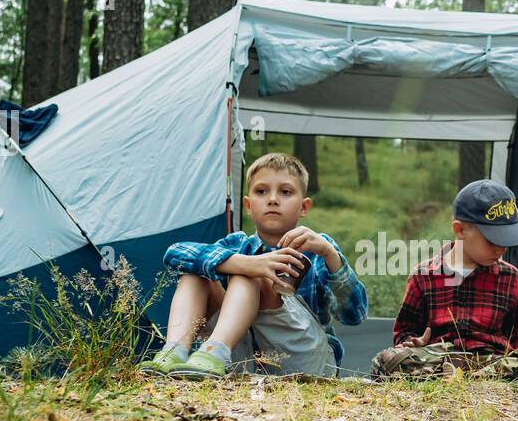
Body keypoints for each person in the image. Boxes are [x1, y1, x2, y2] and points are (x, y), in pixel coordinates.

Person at [140, 153, 366, 378]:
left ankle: (214, 351)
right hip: (240, 357)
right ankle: (176, 351)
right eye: (261, 191)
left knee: (251, 276)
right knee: (197, 273)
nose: (273, 199)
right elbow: (175, 253)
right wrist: (247, 263)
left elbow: (354, 315)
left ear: (304, 207)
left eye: (285, 192)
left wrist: (330, 255)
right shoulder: (236, 244)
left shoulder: (318, 249)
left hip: (305, 360)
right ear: (248, 205)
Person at [372, 179, 518, 380]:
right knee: (383, 361)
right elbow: (404, 331)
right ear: (460, 230)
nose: (502, 248)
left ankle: (475, 379)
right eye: (494, 239)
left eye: (508, 240)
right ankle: (458, 378)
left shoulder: (510, 277)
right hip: (438, 360)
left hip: (492, 362)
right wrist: (414, 342)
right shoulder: (423, 275)